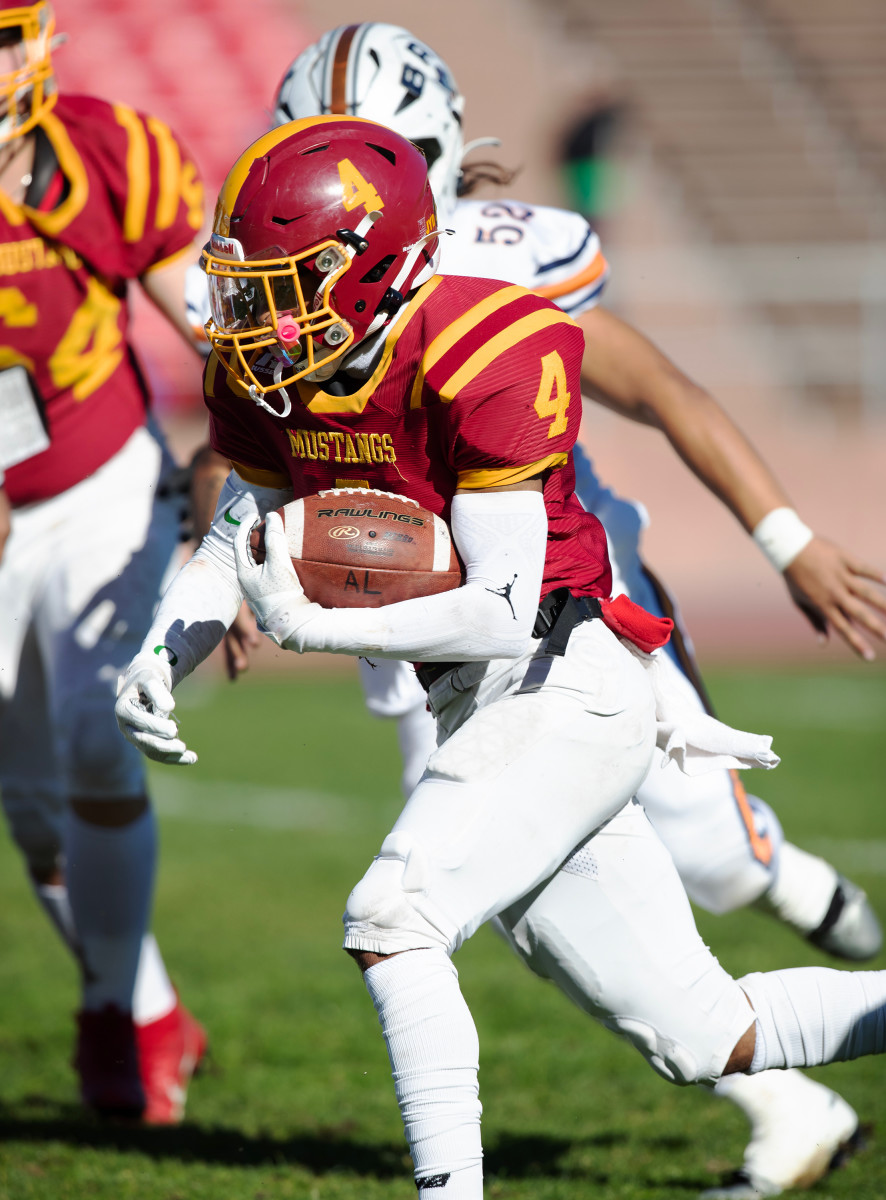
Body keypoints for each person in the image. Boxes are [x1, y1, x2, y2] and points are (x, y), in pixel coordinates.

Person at [116, 115, 886, 1200]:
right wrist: (165, 647)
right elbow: (238, 530)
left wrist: (314, 625)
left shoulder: (483, 343)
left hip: (569, 677)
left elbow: (499, 611)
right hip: (481, 708)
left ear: (367, 270)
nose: (253, 317)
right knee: (705, 1035)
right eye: (248, 286)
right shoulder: (277, 375)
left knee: (393, 918)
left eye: (284, 285)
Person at [0, 1, 206, 1123]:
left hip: (101, 485)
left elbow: (210, 330)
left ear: (34, 44)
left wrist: (255, 447)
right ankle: (151, 1008)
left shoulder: (104, 151)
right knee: (30, 814)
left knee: (94, 731)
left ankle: (106, 1016)